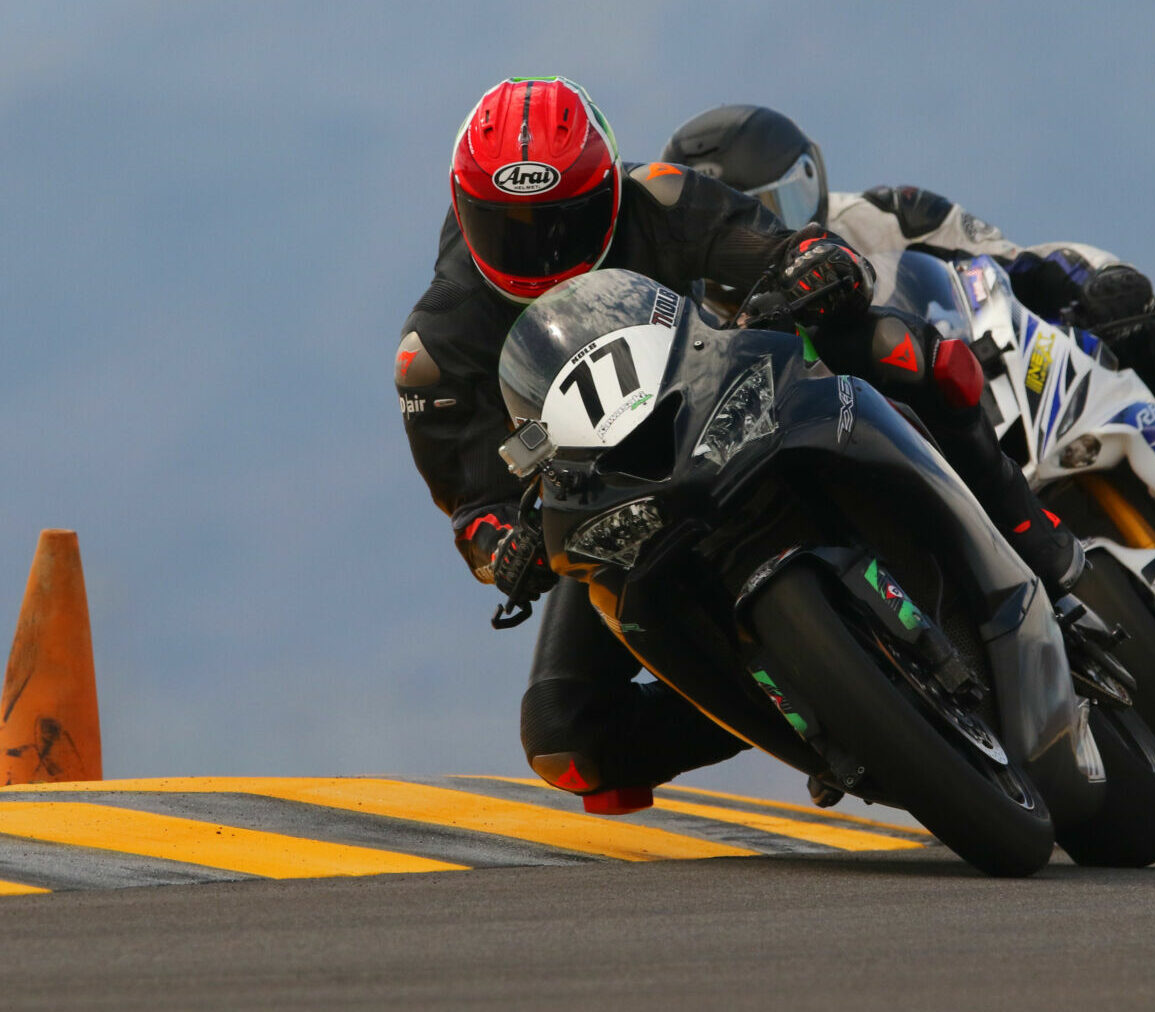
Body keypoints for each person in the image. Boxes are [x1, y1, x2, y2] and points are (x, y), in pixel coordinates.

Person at [396, 78, 1081, 809]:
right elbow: (475, 503)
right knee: (566, 738)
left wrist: (812, 262)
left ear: (608, 187)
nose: (542, 248)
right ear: (465, 209)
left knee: (893, 344)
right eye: (511, 227)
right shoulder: (436, 346)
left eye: (564, 220)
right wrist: (503, 543)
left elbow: (765, 243)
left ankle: (1027, 528)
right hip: (615, 498)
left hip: (734, 394)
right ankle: (812, 717)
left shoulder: (657, 199)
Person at [661, 106, 1155, 579]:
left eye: (785, 199)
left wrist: (1083, 281)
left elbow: (1012, 258)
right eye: (747, 216)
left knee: (1121, 298)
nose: (769, 229)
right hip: (870, 458)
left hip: (974, 377)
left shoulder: (883, 213)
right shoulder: (709, 318)